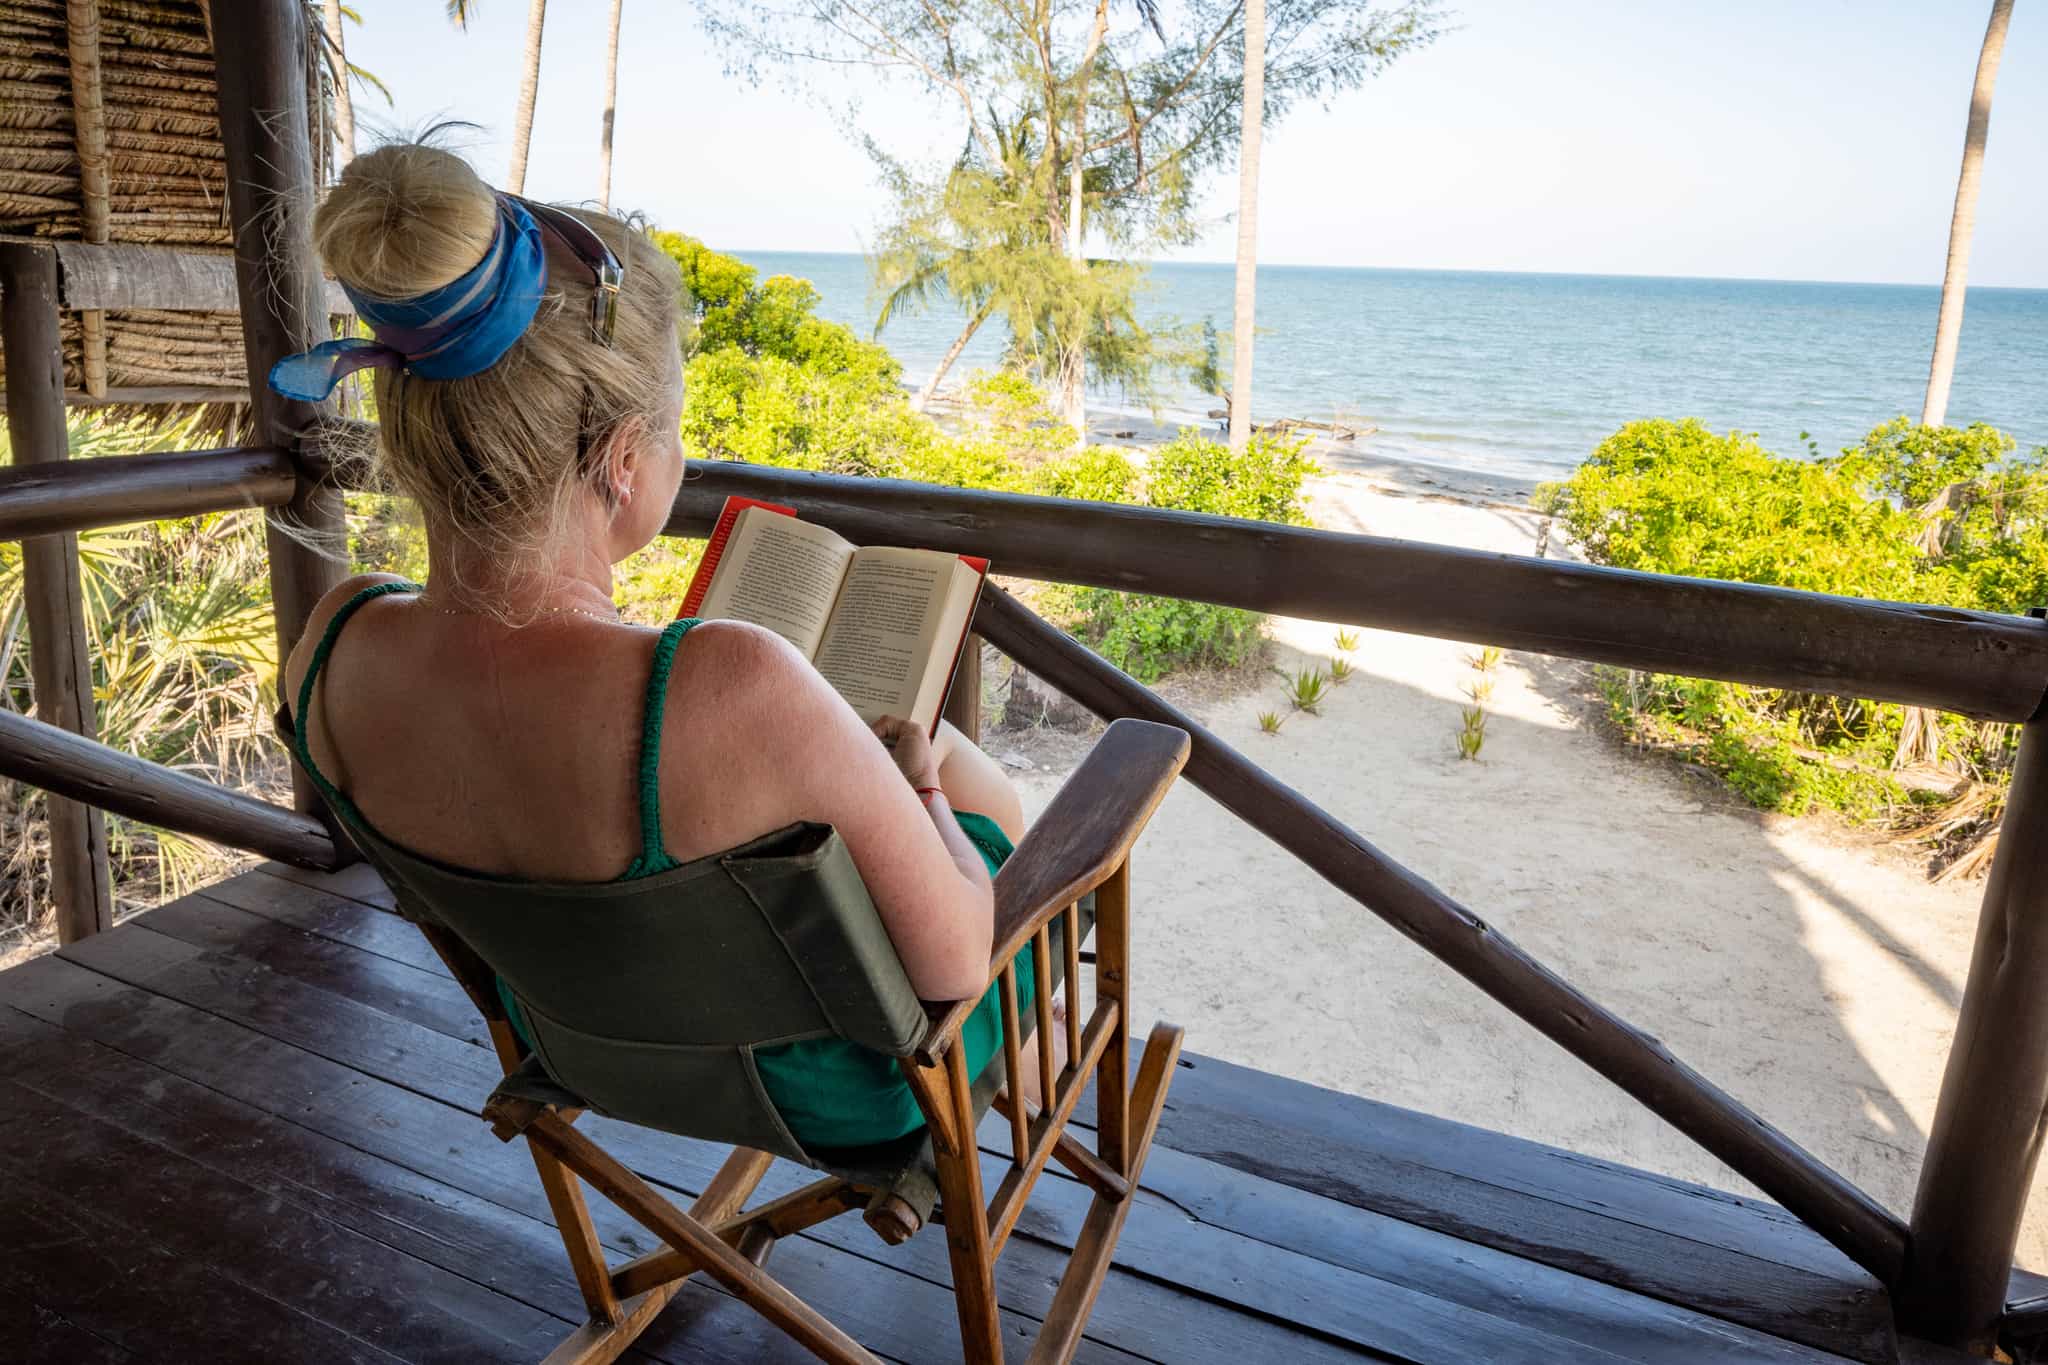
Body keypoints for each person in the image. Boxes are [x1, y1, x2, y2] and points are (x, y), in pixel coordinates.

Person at [273, 142, 1057, 1149]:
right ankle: (1024, 1114)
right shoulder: (727, 684)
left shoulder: (331, 649)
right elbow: (953, 968)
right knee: (974, 790)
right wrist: (923, 792)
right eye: (675, 432)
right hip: (833, 1097)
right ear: (617, 460)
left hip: (580, 1044)